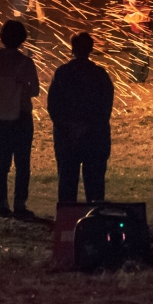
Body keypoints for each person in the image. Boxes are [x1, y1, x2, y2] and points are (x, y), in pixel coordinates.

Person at [47, 32, 114, 205]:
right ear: (91, 49)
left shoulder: (63, 73)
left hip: (67, 138)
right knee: (95, 185)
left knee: (67, 183)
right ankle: (95, 220)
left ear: (72, 49)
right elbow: (105, 107)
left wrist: (69, 126)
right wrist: (89, 127)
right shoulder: (100, 75)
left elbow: (54, 106)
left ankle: (67, 222)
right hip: (95, 137)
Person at [0, 19, 41, 220]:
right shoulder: (26, 63)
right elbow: (34, 90)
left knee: (2, 163)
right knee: (22, 163)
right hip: (21, 116)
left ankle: (1, 204)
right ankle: (20, 204)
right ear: (22, 40)